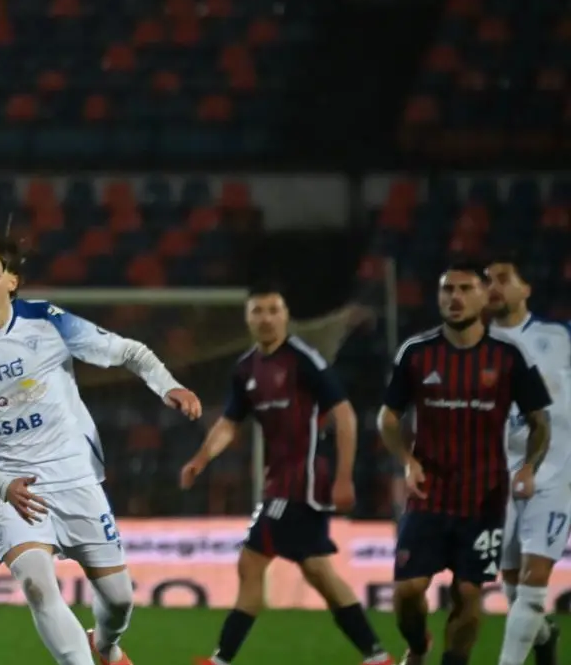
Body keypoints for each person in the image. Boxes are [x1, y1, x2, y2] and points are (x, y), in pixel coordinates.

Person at [0, 236, 202, 665]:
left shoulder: (48, 322)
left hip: (74, 475)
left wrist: (168, 385)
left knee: (118, 600)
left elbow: (129, 352)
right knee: (38, 586)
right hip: (13, 485)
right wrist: (1, 485)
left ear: (12, 281)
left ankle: (108, 647)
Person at [181, 286, 390, 665]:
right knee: (318, 572)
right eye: (257, 311)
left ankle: (221, 660)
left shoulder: (303, 359)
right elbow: (230, 422)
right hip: (280, 481)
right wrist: (201, 458)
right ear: (248, 319)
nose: (265, 317)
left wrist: (344, 476)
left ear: (285, 316)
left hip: (305, 481)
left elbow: (343, 414)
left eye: (273, 310)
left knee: (252, 562)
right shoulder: (246, 368)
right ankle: (377, 656)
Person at [379, 263, 552, 665]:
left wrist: (528, 467)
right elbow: (388, 417)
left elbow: (539, 421)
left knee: (470, 592)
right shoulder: (417, 353)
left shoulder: (508, 357)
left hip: (484, 496)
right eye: (446, 290)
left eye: (464, 289)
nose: (454, 297)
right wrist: (406, 460)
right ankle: (419, 647)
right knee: (407, 591)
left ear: (482, 297)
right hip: (429, 492)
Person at [484, 254, 567, 665]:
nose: (493, 287)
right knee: (515, 591)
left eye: (503, 279)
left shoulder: (559, 336)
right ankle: (548, 637)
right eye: (488, 281)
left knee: (533, 587)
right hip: (499, 478)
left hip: (556, 474)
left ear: (525, 289)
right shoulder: (475, 347)